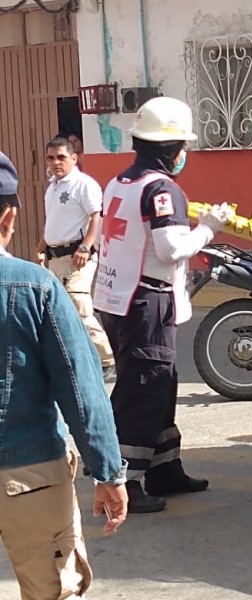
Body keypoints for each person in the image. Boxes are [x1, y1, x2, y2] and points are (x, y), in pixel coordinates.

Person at [0, 151, 128, 598]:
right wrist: (108, 473)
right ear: (9, 218)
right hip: (30, 474)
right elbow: (80, 387)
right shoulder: (35, 287)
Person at [93, 97, 231, 513]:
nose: (185, 153)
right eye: (183, 145)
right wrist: (208, 229)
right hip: (145, 301)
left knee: (160, 383)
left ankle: (165, 468)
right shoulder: (162, 188)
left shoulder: (120, 183)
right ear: (171, 148)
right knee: (144, 389)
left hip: (118, 299)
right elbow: (170, 248)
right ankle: (126, 481)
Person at [34, 136, 116, 382]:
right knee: (58, 310)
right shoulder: (53, 187)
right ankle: (75, 359)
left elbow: (96, 217)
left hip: (77, 256)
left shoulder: (83, 184)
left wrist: (85, 247)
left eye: (61, 157)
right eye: (50, 158)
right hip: (55, 256)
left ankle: (106, 358)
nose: (55, 162)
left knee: (79, 308)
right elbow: (53, 223)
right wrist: (40, 248)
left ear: (73, 158)